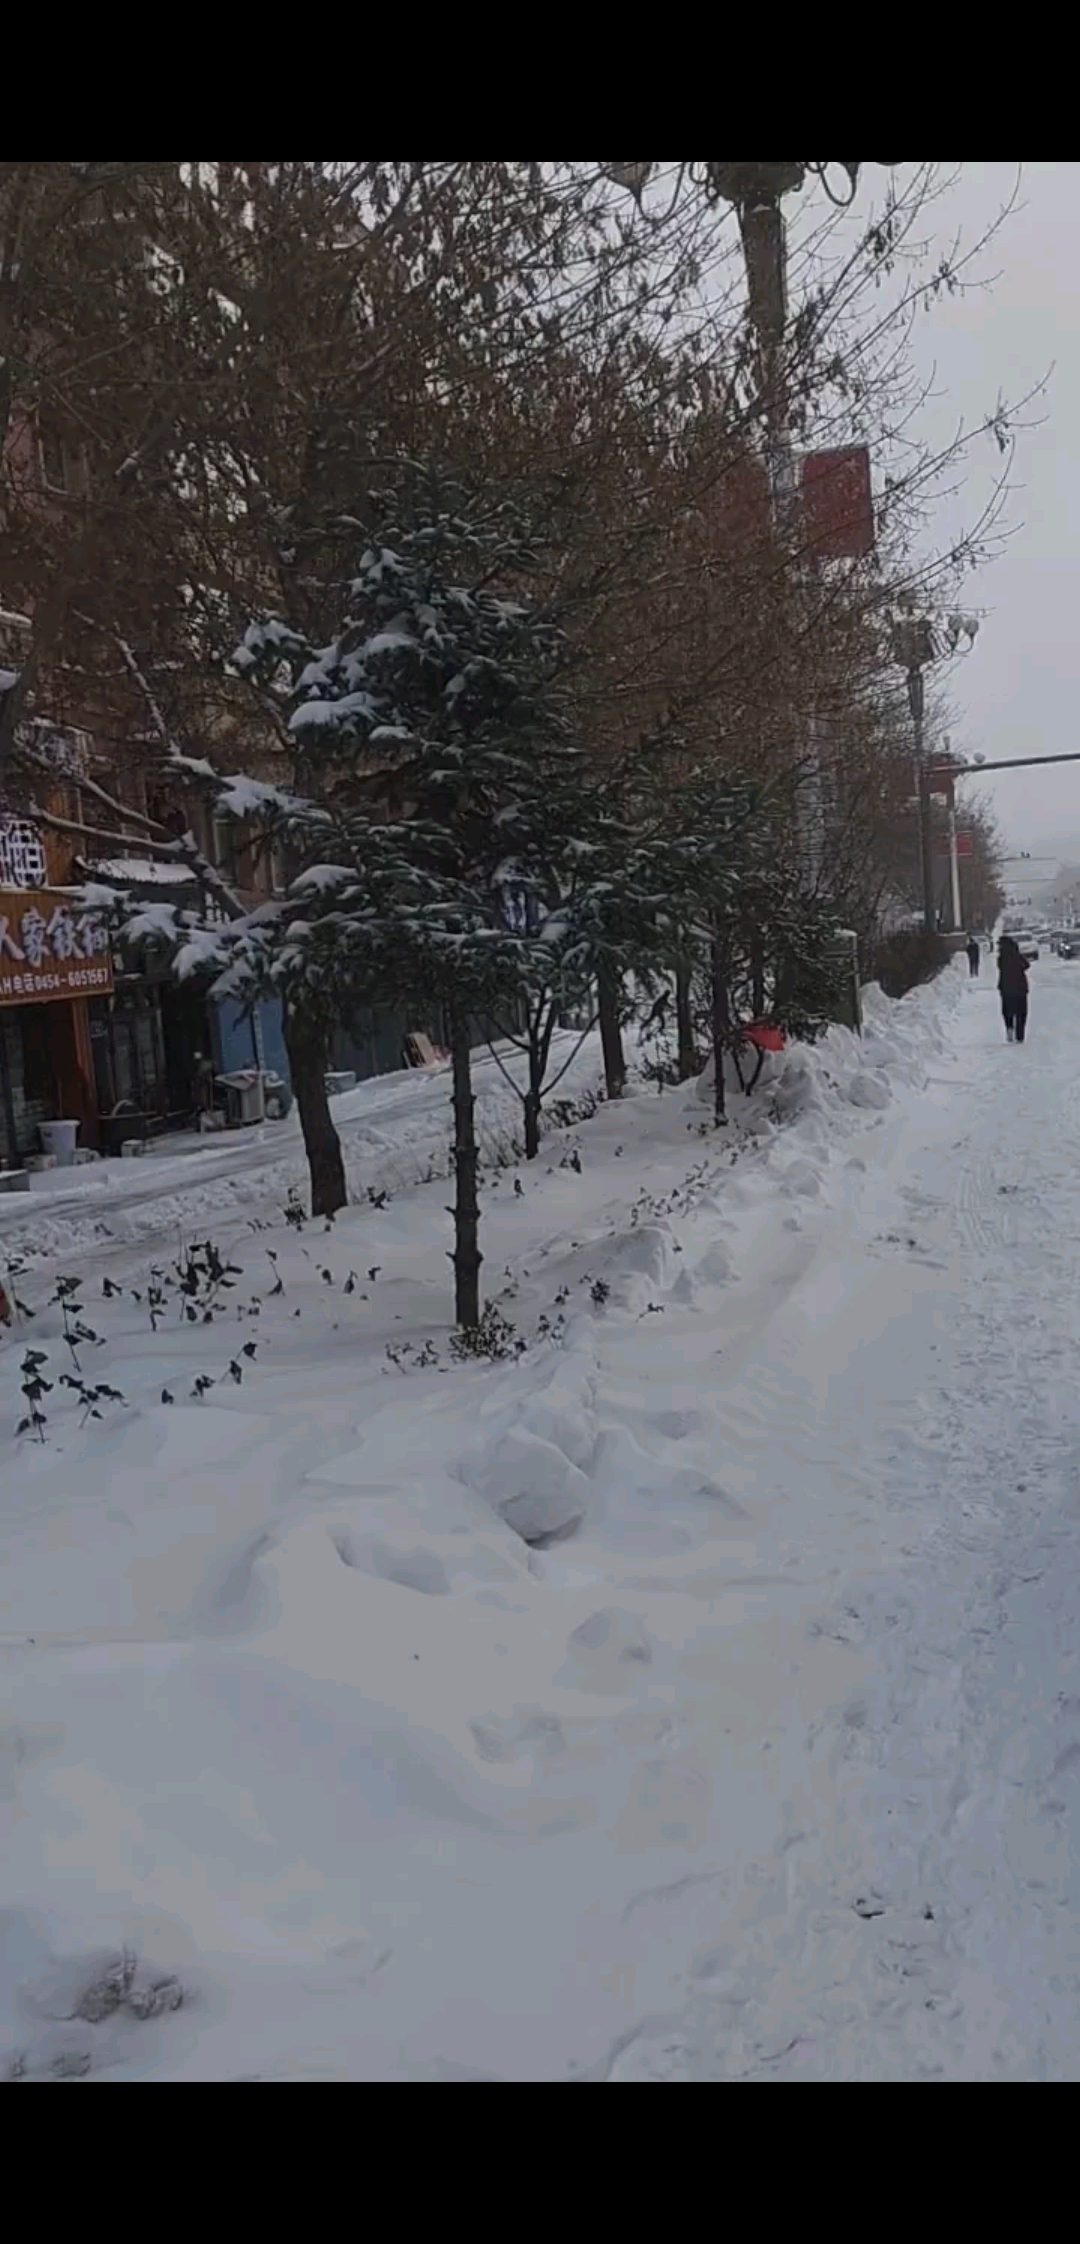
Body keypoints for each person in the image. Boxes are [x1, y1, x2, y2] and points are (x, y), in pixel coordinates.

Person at [997, 934, 1033, 1043]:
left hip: (1006, 988)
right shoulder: (1017, 956)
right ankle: (1020, 1035)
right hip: (1020, 988)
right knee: (1021, 1012)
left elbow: (1000, 967)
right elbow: (1027, 965)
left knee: (1007, 1011)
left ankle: (1009, 1028)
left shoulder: (1001, 958)